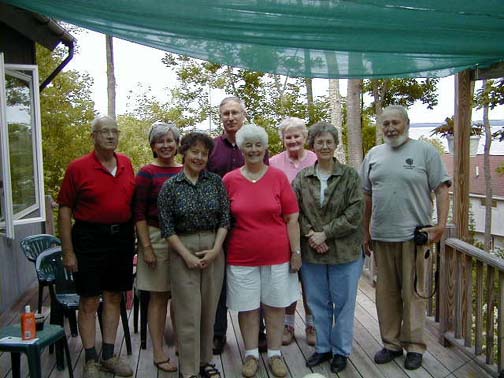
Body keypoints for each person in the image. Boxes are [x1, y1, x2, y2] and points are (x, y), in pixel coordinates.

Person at [361, 105, 451, 370]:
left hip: (414, 237)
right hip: (382, 236)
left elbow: (442, 190)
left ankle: (414, 346)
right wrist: (365, 230)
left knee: (413, 294)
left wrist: (441, 225)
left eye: (395, 123)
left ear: (407, 123)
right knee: (386, 294)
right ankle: (391, 344)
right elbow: (366, 195)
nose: (390, 128)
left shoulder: (425, 152)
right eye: (385, 123)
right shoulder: (374, 154)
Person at [58, 116, 135, 378]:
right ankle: (90, 358)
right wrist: (68, 251)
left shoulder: (126, 163)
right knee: (89, 299)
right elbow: (65, 209)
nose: (111, 136)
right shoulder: (78, 167)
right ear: (94, 136)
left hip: (121, 238)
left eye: (115, 131)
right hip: (89, 239)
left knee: (114, 296)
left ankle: (109, 355)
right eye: (104, 132)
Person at [223, 124, 301, 378]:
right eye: (248, 145)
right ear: (241, 148)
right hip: (241, 256)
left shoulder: (278, 177)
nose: (254, 149)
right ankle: (251, 354)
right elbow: (223, 221)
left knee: (276, 306)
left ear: (266, 148)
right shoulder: (230, 180)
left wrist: (296, 252)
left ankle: (275, 354)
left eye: (258, 145)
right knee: (247, 308)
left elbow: (292, 218)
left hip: (277, 255)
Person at [293, 122, 364, 374]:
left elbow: (355, 212)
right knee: (317, 302)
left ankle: (341, 350)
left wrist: (326, 233)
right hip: (313, 251)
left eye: (328, 141)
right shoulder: (302, 177)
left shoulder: (350, 176)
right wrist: (312, 235)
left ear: (336, 144)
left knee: (343, 304)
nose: (324, 146)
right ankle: (322, 347)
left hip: (345, 252)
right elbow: (294, 211)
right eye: (319, 142)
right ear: (312, 145)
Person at [158, 132, 230, 378]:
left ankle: (204, 362)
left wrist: (216, 249)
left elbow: (225, 220)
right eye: (194, 152)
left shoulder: (216, 183)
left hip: (213, 248)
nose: (199, 157)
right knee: (188, 312)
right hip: (182, 250)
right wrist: (186, 256)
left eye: (204, 153)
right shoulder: (170, 187)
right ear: (184, 152)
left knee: (209, 310)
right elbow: (166, 228)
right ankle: (188, 369)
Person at [207, 96, 269, 354]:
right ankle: (218, 333)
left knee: (257, 279)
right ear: (220, 117)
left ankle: (260, 334)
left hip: (251, 225)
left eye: (235, 113)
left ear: (244, 114)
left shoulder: (256, 145)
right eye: (226, 113)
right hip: (219, 225)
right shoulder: (211, 147)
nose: (230, 117)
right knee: (219, 281)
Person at [134, 122, 182, 373]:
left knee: (181, 295)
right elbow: (139, 213)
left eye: (170, 140)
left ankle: (183, 345)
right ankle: (159, 350)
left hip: (183, 240)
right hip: (155, 237)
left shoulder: (186, 170)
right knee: (159, 297)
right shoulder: (146, 173)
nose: (166, 145)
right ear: (153, 146)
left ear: (177, 143)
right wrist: (147, 248)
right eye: (160, 141)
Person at [270, 117, 318, 347]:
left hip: (313, 230)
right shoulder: (273, 162)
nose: (293, 140)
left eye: (297, 136)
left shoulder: (316, 159)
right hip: (284, 230)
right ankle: (288, 325)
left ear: (305, 137)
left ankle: (312, 324)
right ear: (282, 140)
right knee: (288, 280)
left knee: (311, 282)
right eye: (288, 137)